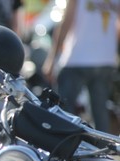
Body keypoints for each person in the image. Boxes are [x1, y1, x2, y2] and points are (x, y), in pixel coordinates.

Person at [42, 0, 120, 133]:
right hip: (106, 59)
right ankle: (101, 149)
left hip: (77, 58)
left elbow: (67, 21)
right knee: (100, 111)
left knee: (64, 110)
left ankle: (65, 145)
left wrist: (52, 58)